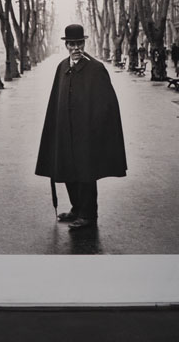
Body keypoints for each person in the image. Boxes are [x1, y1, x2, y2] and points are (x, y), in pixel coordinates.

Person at [35, 24, 127, 230]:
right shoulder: (61, 67)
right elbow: (56, 100)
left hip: (87, 133)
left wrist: (97, 129)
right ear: (66, 45)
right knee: (68, 170)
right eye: (72, 44)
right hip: (66, 132)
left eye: (80, 43)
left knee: (86, 173)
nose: (76, 47)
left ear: (84, 43)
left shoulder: (95, 68)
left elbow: (107, 103)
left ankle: (88, 215)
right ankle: (76, 209)